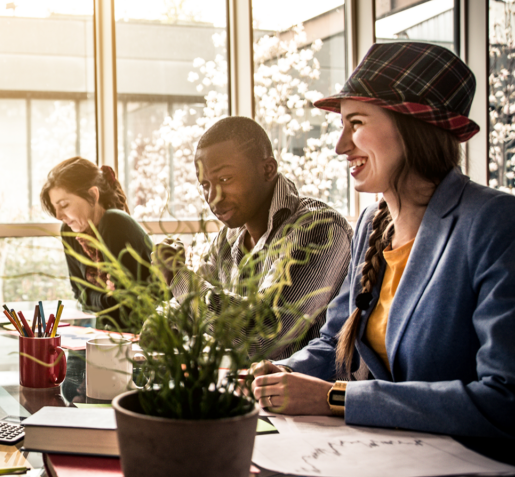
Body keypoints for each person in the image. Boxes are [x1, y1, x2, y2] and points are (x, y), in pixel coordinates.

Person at [252, 42, 515, 441]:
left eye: (355, 124)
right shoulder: (371, 224)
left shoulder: (495, 224)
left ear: (413, 128)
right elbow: (332, 341)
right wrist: (284, 372)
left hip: (465, 475)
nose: (341, 145)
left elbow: (503, 400)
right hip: (376, 453)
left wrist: (337, 399)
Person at [159, 117, 353, 359]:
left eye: (225, 179)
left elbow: (262, 336)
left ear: (267, 170)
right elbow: (185, 309)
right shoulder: (228, 238)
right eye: (205, 184)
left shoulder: (318, 228)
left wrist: (177, 275)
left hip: (301, 395)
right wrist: (162, 323)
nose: (212, 196)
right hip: (237, 391)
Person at [40, 157, 153, 331]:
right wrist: (105, 298)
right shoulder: (70, 232)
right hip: (108, 332)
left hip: (146, 334)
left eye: (64, 205)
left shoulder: (115, 222)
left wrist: (98, 299)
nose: (58, 215)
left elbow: (123, 307)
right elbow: (80, 294)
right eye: (55, 208)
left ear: (93, 195)